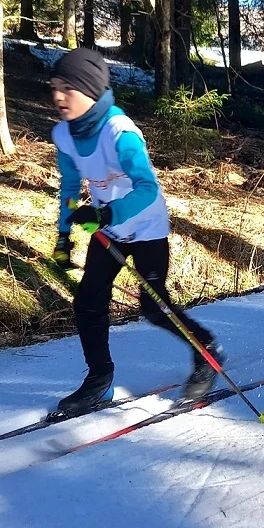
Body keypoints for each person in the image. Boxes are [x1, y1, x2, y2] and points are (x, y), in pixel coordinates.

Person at [48, 48, 225, 416]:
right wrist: (64, 235)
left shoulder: (119, 131)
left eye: (68, 88)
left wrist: (108, 212)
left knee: (154, 307)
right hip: (107, 228)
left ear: (90, 89)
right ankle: (99, 381)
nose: (58, 97)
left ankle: (206, 349)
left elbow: (146, 188)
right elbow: (68, 186)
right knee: (88, 302)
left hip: (145, 226)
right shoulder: (64, 134)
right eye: (54, 87)